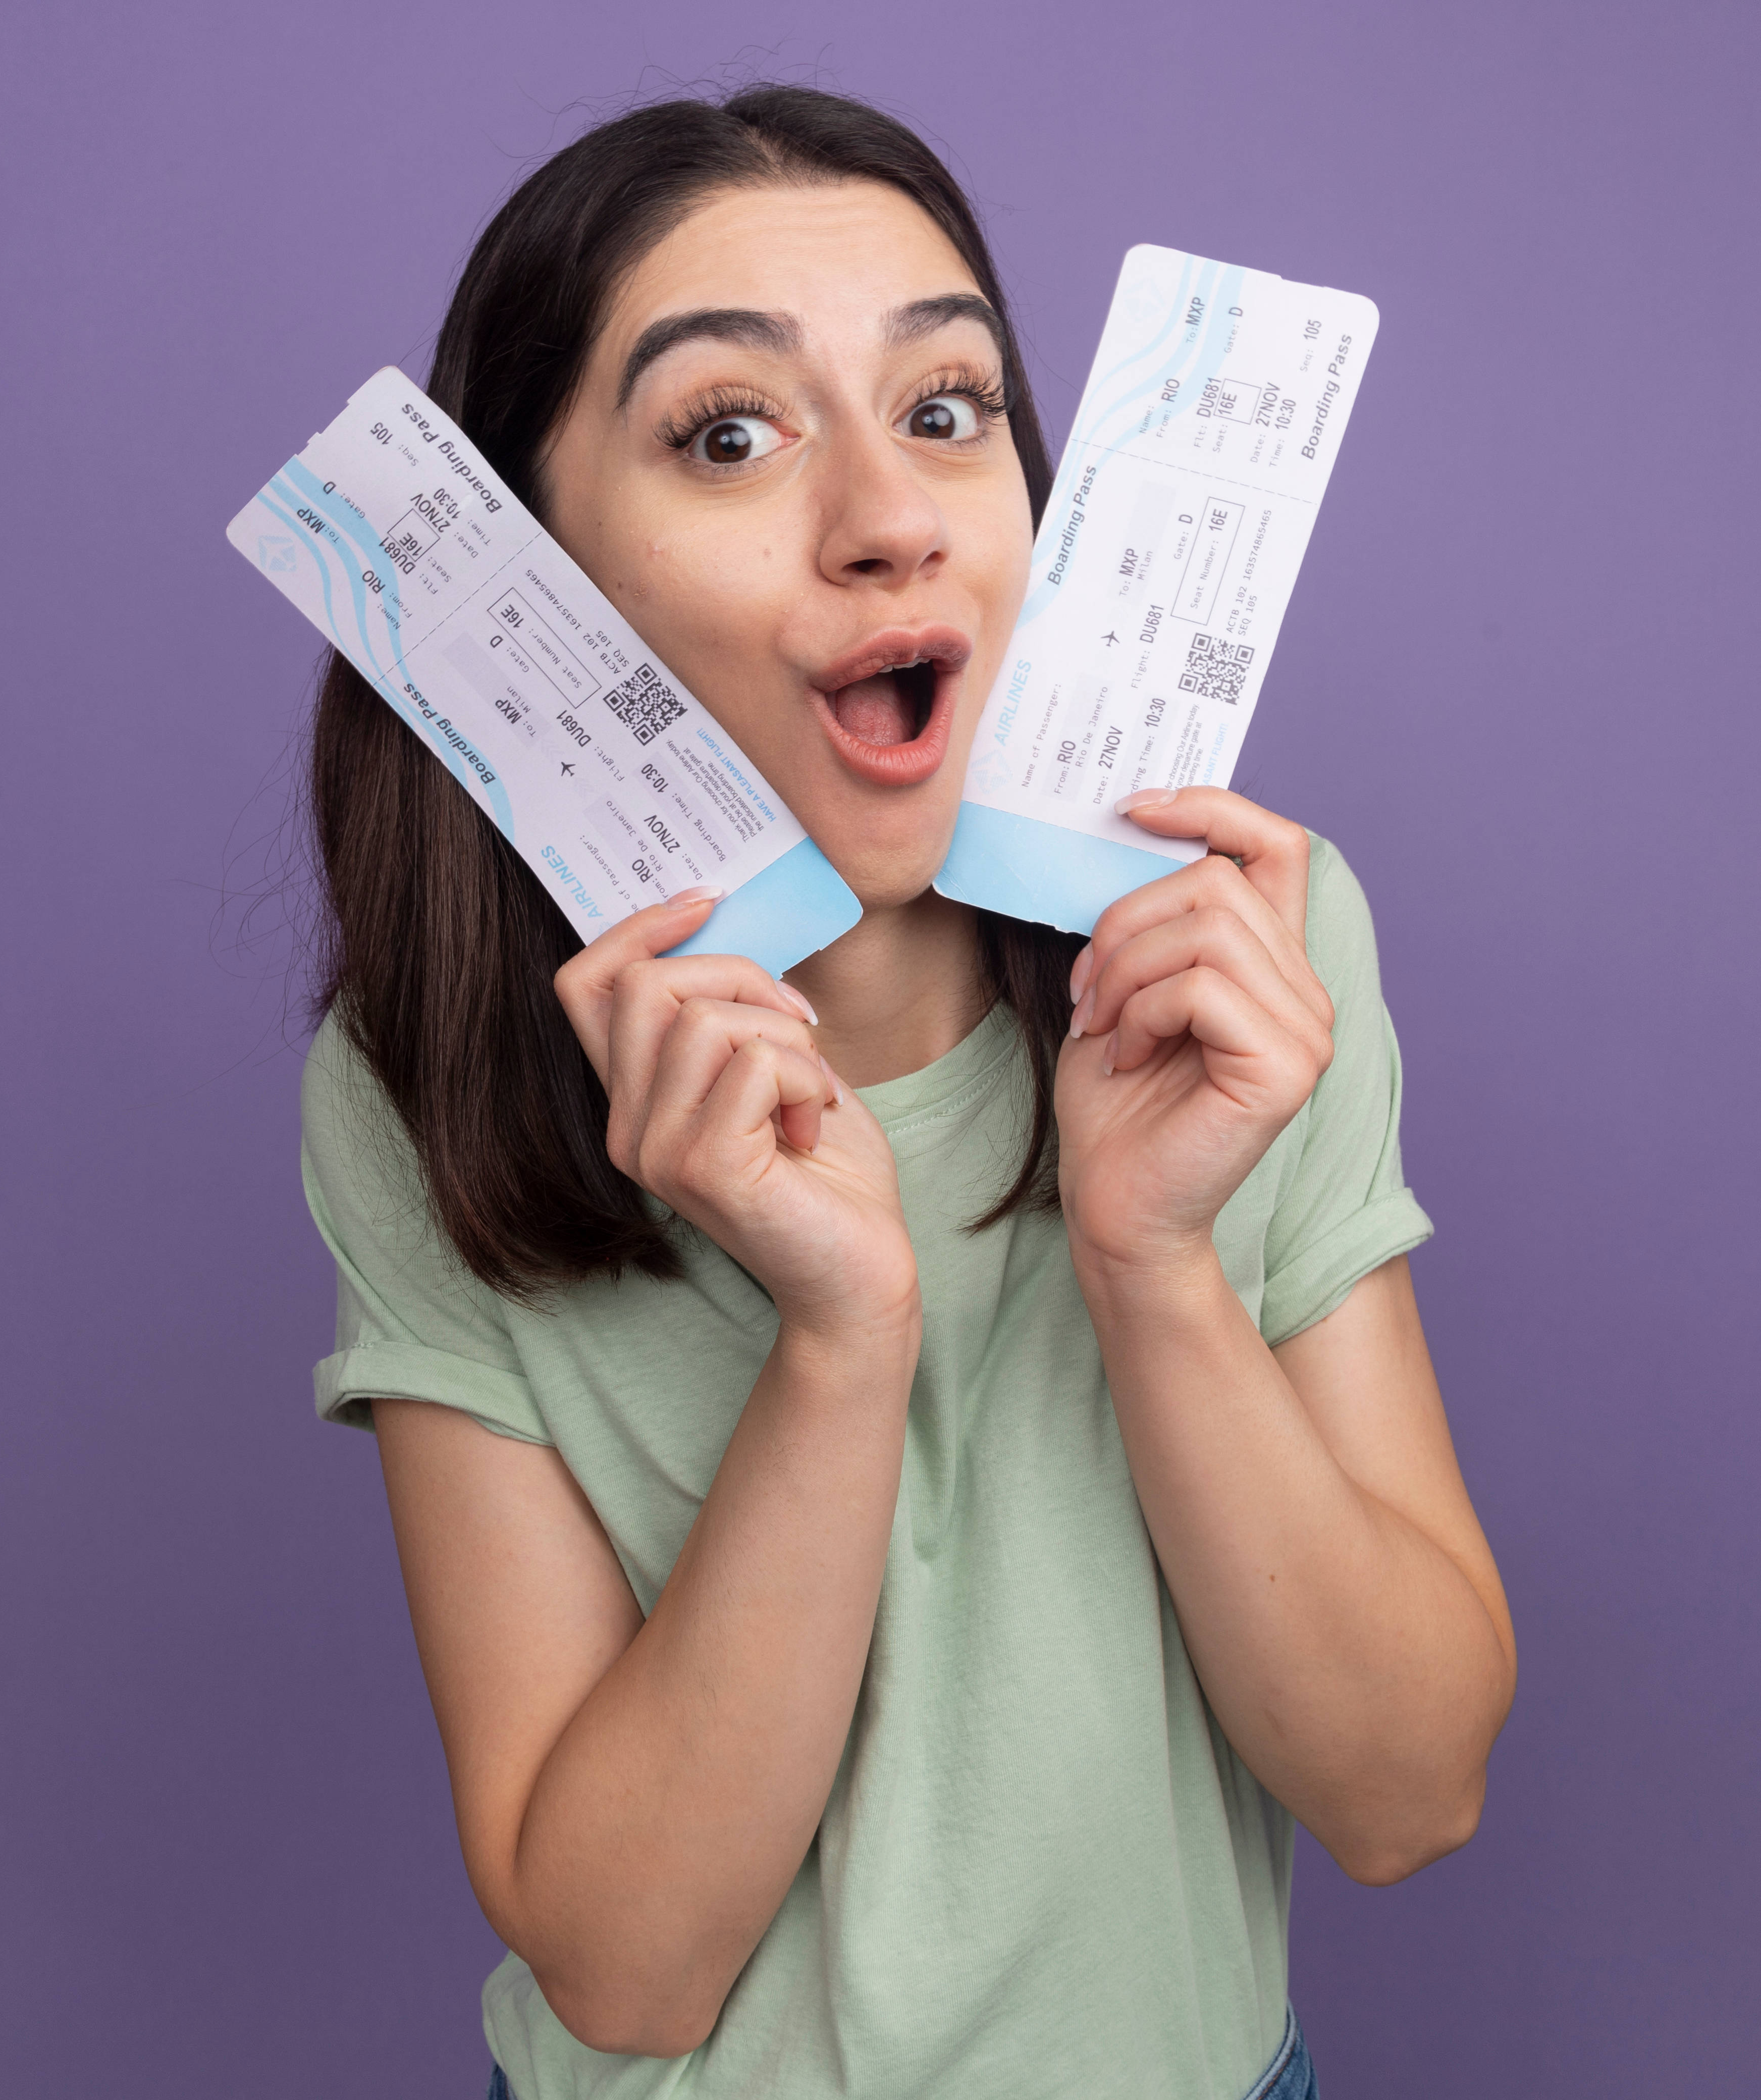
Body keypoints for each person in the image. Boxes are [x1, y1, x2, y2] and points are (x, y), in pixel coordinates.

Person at [296, 84, 1515, 2100]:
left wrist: (1156, 1258)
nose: (890, 511)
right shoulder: (425, 1081)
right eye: (727, 434)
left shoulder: (1254, 966)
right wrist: (843, 1333)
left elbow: (1407, 1791)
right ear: (533, 594)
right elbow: (624, 1963)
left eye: (947, 406)